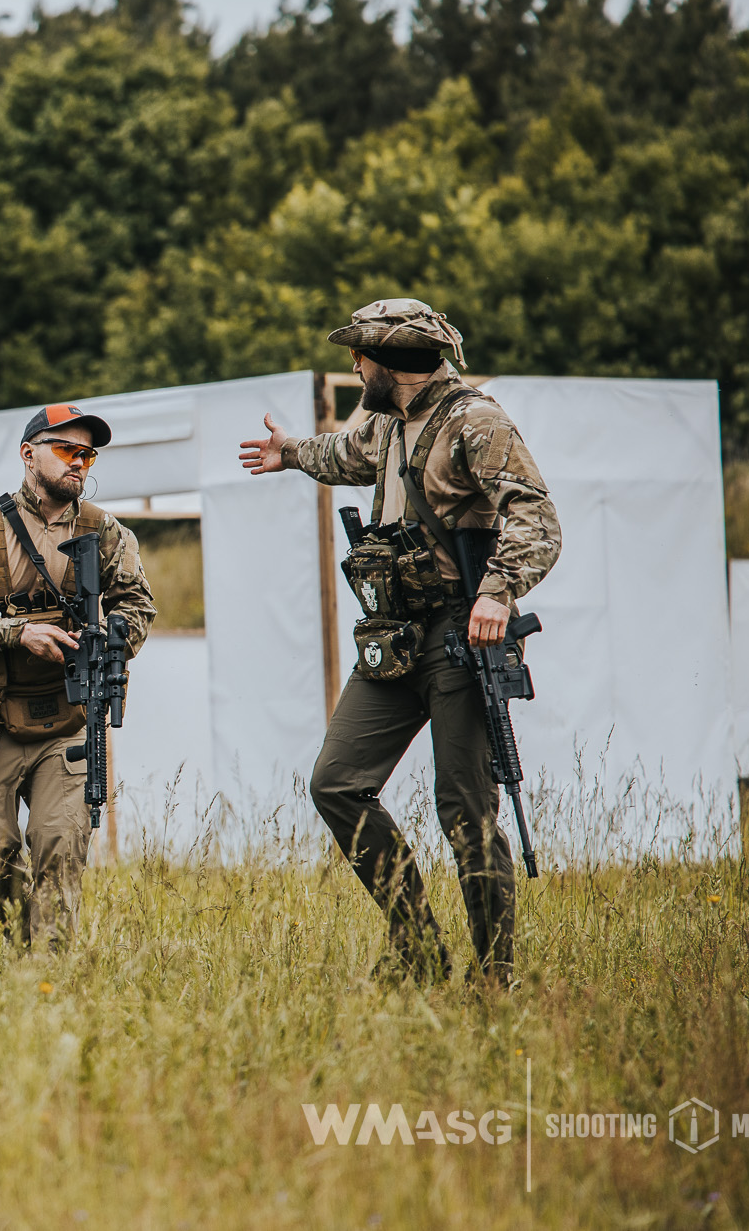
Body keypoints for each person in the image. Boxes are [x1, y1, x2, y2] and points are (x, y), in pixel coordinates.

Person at [236, 299, 562, 985]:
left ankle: (495, 975)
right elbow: (344, 453)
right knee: (336, 783)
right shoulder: (388, 424)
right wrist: (290, 452)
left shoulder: (476, 421)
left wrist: (496, 593)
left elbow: (534, 515)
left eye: (361, 355)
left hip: (457, 634)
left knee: (464, 808)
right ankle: (418, 946)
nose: (354, 365)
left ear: (391, 363)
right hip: (392, 635)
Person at [0, 403, 156, 948]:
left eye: (87, 454)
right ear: (29, 455)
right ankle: (21, 950)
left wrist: (110, 634)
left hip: (69, 716)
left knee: (60, 846)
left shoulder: (108, 533)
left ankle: (47, 975)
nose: (79, 462)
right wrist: (17, 632)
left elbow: (139, 606)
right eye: (66, 450)